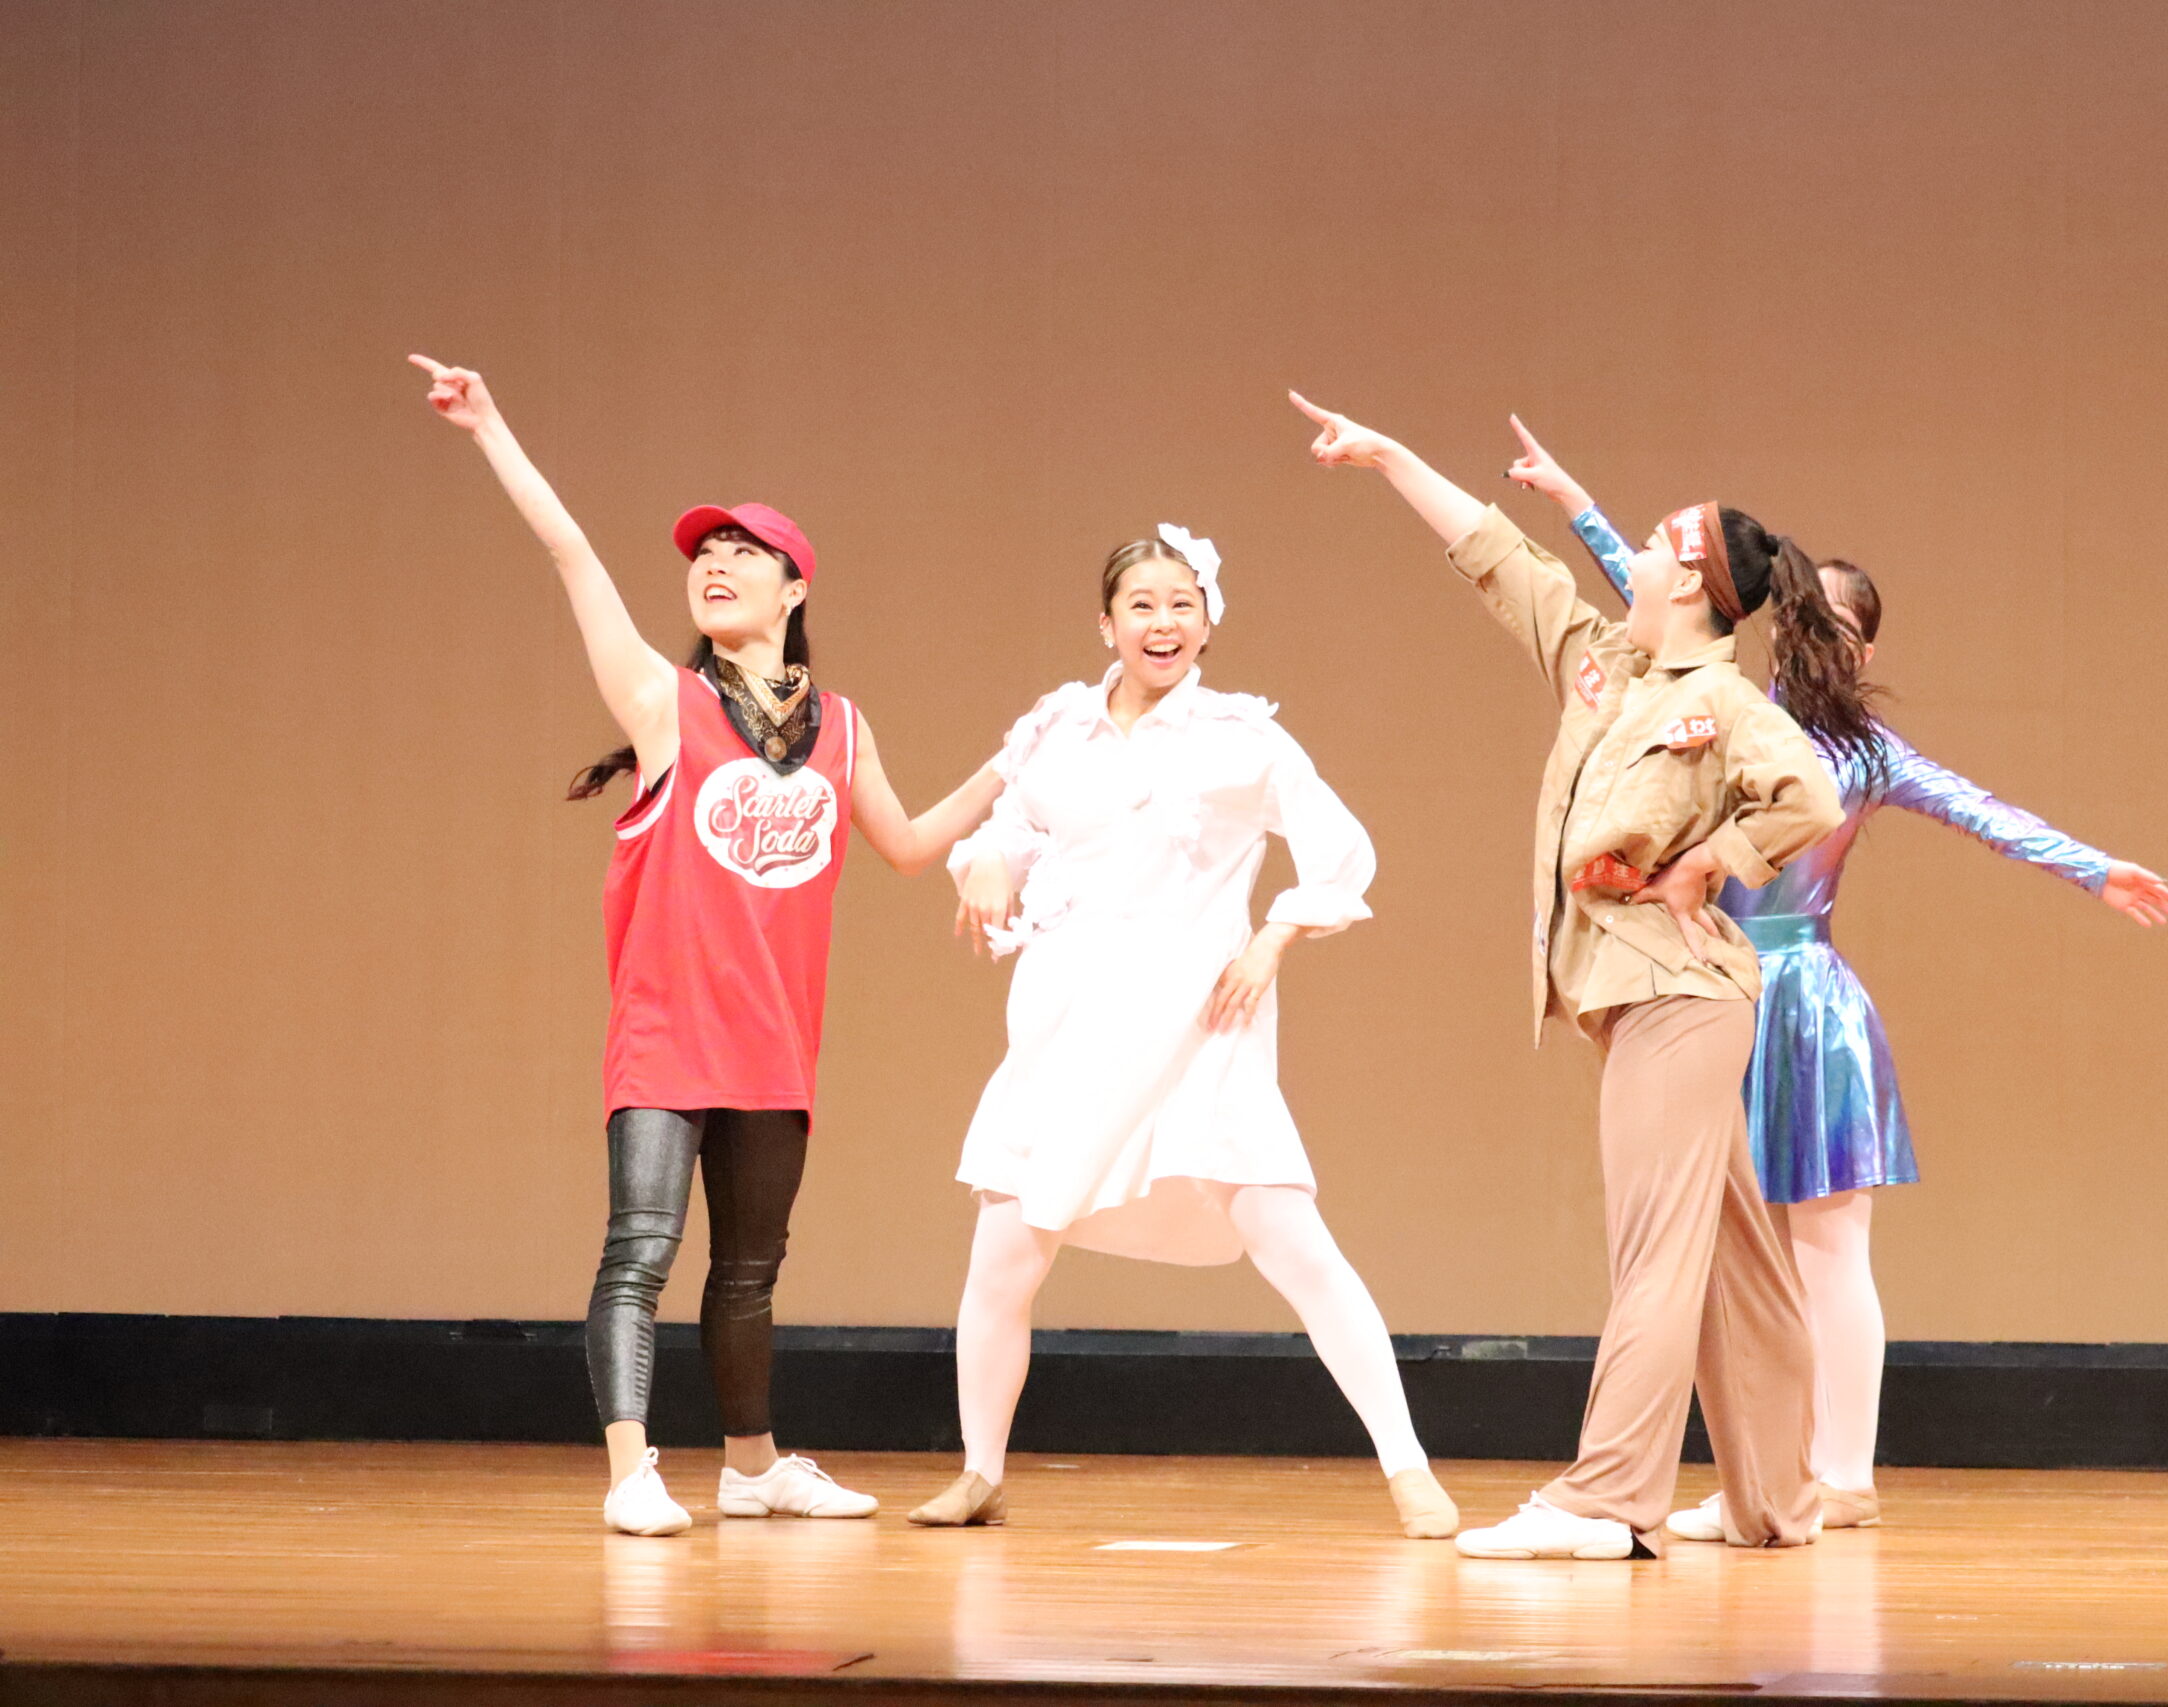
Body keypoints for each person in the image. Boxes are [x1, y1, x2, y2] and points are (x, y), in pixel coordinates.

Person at [1504, 417, 2168, 1532]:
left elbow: (1982, 811)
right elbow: (1649, 583)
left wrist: (2092, 867)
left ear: (1854, 648)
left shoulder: (1855, 752)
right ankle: (1768, 1477)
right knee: (1741, 1255)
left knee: (1823, 1246)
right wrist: (1571, 498)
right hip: (1711, 986)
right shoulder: (1728, 708)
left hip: (1802, 1007)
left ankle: (1843, 1470)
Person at [410, 355, 1004, 1537]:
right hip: (667, 1035)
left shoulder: (842, 727)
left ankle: (752, 1467)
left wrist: (1023, 754)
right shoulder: (662, 704)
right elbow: (572, 553)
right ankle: (631, 1472)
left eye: (743, 551)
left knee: (748, 1273)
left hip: (773, 1045)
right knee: (639, 1253)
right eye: (703, 554)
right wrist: (489, 428)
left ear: (794, 587)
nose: (715, 564)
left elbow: (907, 845)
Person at [1293, 391, 1858, 1560]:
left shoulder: (1719, 701)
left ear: (1689, 581)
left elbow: (1807, 792)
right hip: (1642, 997)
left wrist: (1713, 860)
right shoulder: (1607, 668)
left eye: (1648, 544)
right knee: (1739, 1256)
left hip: (1678, 1000)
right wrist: (1393, 455)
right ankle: (1774, 1501)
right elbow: (1503, 560)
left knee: (1654, 1253)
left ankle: (1607, 1501)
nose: (1629, 556)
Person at [918, 525, 1460, 1541]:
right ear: (1106, 624)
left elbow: (1340, 850)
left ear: (1208, 623)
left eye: (1181, 604)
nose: (1161, 622)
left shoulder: (1240, 739)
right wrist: (987, 859)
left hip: (1200, 1020)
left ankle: (1408, 1467)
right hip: (1067, 1018)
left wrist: (1273, 940)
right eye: (1142, 604)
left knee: (1292, 1240)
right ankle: (979, 1470)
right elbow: (1018, 824)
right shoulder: (1058, 727)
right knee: (1003, 1255)